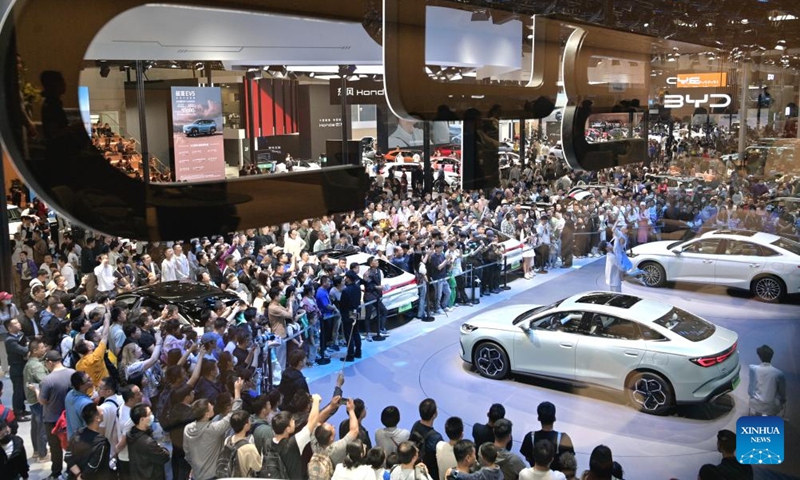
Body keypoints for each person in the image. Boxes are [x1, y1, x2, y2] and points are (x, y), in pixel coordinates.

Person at [184, 378, 245, 480]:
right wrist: (237, 391)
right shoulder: (213, 429)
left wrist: (195, 466)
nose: (212, 406)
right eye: (210, 406)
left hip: (196, 475)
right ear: (207, 414)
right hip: (212, 476)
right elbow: (234, 413)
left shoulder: (187, 428)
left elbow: (187, 454)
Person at [36, 350, 75, 480]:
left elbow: (42, 401)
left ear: (50, 362)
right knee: (71, 446)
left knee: (56, 448)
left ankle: (56, 472)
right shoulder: (72, 373)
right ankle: (72, 471)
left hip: (52, 419)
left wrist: (36, 390)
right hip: (70, 417)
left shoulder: (47, 380)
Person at [520, 402, 575, 473]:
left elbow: (527, 458)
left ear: (538, 418)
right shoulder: (564, 439)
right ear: (554, 418)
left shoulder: (530, 437)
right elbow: (569, 461)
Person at [65, 403, 112, 480]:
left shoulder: (77, 433)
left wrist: (78, 474)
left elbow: (68, 456)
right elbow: (93, 466)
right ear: (97, 418)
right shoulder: (102, 443)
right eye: (101, 411)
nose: (103, 412)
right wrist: (82, 477)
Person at [127, 403, 170, 480]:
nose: (152, 416)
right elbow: (164, 457)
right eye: (149, 414)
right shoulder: (148, 442)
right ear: (142, 419)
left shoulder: (130, 434)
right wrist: (161, 447)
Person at [23, 340, 48, 460]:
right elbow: (45, 383)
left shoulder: (30, 363)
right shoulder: (37, 366)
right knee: (42, 428)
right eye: (42, 347)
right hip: (38, 400)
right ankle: (43, 454)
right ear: (35, 351)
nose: (45, 349)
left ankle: (37, 451)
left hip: (32, 400)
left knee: (35, 427)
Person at [410, 398, 444, 480]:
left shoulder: (416, 424)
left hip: (413, 466)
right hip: (429, 473)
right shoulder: (436, 437)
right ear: (434, 414)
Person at [748, 344, 786, 416]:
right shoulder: (778, 374)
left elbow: (750, 390)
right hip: (771, 406)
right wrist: (782, 401)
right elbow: (782, 393)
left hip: (755, 403)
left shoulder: (753, 369)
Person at [3, 319, 30, 421]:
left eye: (18, 322)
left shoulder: (21, 334)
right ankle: (18, 412)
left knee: (23, 390)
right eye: (16, 323)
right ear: (10, 328)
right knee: (18, 391)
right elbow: (23, 350)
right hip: (16, 368)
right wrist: (28, 346)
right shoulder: (10, 340)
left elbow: (29, 343)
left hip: (23, 365)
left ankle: (22, 409)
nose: (19, 324)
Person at [224, 410, 262, 477]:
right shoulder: (250, 447)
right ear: (246, 425)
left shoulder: (227, 440)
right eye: (249, 420)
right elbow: (257, 468)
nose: (250, 422)